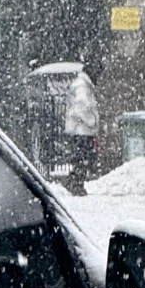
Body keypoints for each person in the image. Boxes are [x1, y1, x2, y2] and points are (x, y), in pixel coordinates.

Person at [63, 65, 99, 194]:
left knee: (79, 158)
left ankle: (74, 182)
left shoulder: (81, 84)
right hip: (81, 130)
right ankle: (76, 184)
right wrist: (92, 121)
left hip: (78, 129)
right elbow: (82, 105)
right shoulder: (82, 86)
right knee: (81, 158)